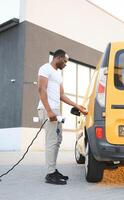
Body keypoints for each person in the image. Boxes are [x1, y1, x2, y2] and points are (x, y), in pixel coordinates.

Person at [37, 49, 88, 185]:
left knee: (58, 140)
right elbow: (41, 89)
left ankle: (53, 169)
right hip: (48, 109)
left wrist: (77, 106)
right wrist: (48, 111)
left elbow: (62, 95)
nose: (66, 64)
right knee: (52, 141)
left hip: (56, 110)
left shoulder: (58, 75)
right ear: (58, 58)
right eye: (65, 61)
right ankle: (50, 174)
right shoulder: (45, 68)